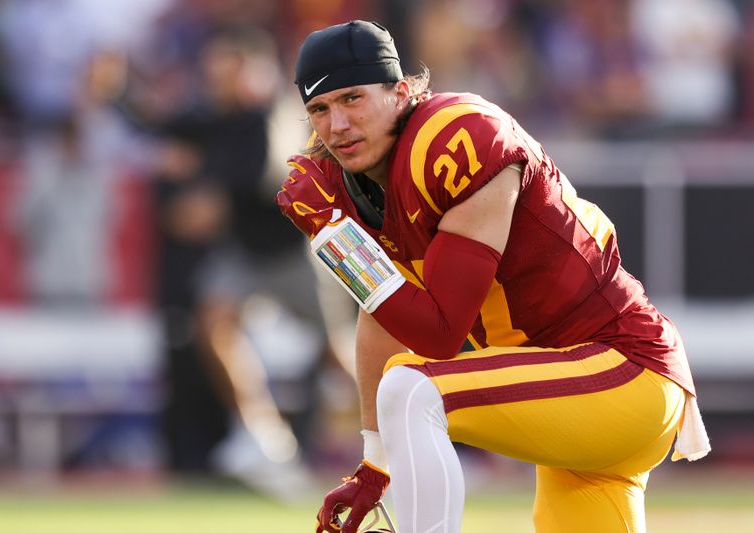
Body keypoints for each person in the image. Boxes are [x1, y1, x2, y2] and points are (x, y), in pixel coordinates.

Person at [276, 20, 710, 533]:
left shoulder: (456, 138)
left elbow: (439, 334)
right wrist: (375, 462)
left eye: (352, 98)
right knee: (407, 385)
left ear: (400, 91)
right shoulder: (349, 181)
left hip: (623, 372)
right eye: (319, 109)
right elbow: (384, 316)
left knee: (413, 389)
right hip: (569, 402)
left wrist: (337, 241)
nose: (337, 124)